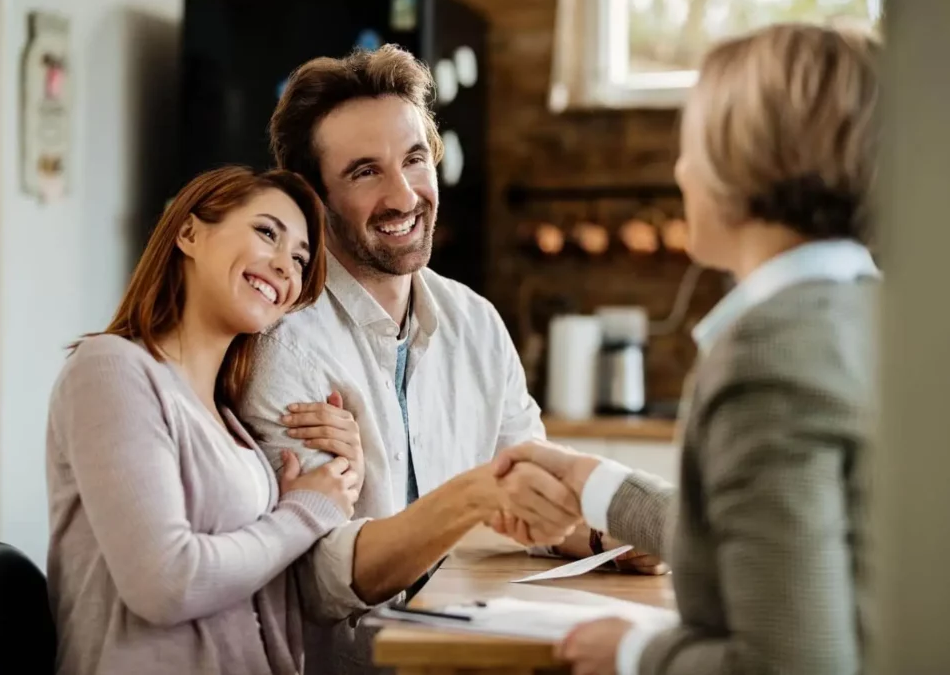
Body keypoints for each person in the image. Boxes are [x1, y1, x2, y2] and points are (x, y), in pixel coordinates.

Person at [237, 45, 655, 675]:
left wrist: (608, 540)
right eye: (364, 173)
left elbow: (529, 501)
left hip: (469, 651)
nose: (403, 195)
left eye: (413, 159)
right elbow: (319, 581)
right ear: (314, 200)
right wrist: (472, 497)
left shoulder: (476, 322)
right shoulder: (286, 346)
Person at [494, 22, 881, 675]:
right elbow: (780, 547)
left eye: (693, 143)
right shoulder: (873, 313)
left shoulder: (770, 356)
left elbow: (793, 663)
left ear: (747, 160)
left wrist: (635, 650)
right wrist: (598, 484)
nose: (679, 168)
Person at [45, 166, 365, 675]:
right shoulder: (110, 369)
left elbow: (255, 587)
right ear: (189, 233)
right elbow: (167, 584)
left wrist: (328, 485)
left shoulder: (228, 422)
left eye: (300, 260)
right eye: (267, 233)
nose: (286, 266)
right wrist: (304, 513)